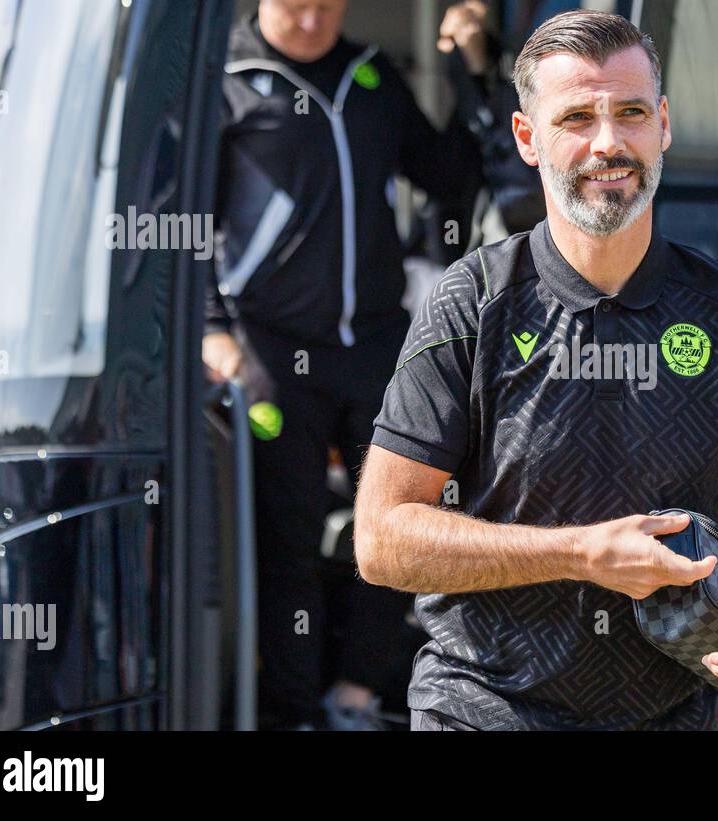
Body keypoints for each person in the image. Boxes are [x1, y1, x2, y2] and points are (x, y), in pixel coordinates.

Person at [354, 10, 718, 731]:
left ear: (664, 124)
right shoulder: (473, 302)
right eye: (576, 116)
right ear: (527, 138)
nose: (608, 142)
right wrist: (581, 552)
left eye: (631, 113)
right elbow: (382, 537)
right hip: (479, 711)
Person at [203, 0, 538, 730]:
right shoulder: (224, 75)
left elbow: (452, 172)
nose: (316, 14)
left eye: (331, 0)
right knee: (286, 539)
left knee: (398, 528)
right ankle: (291, 711)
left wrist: (472, 66)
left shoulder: (373, 76)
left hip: (379, 347)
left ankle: (356, 695)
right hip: (270, 350)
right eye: (299, 2)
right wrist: (212, 328)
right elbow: (181, 209)